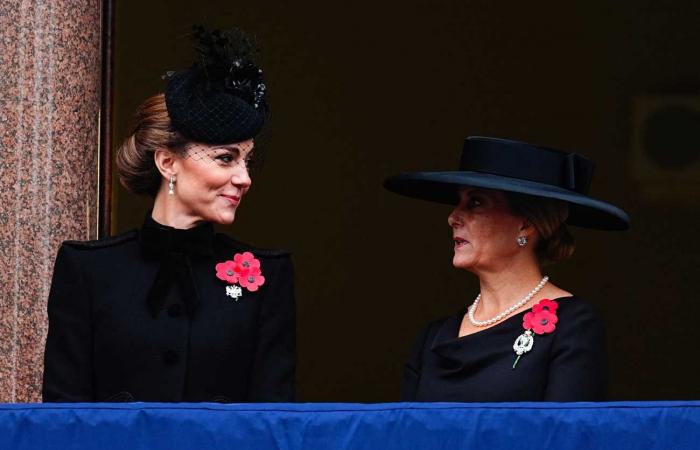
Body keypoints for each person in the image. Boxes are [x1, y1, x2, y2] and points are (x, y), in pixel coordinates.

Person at [42, 27, 295, 403]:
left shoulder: (268, 276)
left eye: (248, 161)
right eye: (226, 158)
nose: (244, 178)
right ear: (167, 162)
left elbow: (275, 424)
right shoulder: (88, 270)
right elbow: (63, 420)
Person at [384, 136, 629, 402]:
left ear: (526, 223)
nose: (452, 217)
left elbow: (564, 438)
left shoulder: (573, 325)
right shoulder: (433, 338)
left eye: (475, 202)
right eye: (458, 202)